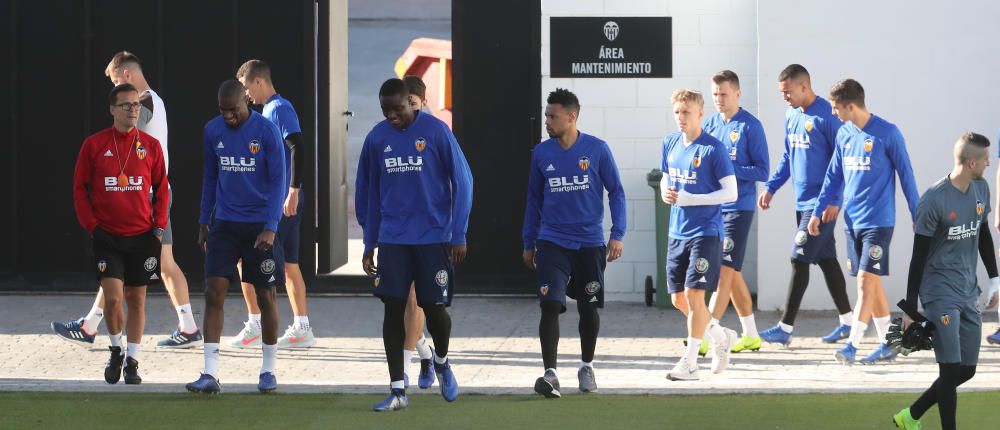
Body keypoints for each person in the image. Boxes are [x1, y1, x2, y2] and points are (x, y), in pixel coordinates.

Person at [53, 51, 201, 349]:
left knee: (119, 260)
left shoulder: (144, 103)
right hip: (155, 193)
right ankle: (187, 326)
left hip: (145, 198)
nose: (116, 91)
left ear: (128, 75)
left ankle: (90, 326)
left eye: (116, 81)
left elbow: (128, 131)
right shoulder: (154, 100)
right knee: (164, 263)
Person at [355, 78, 472, 411]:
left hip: (433, 238)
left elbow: (464, 181)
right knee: (392, 308)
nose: (392, 116)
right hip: (393, 238)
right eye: (385, 110)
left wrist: (458, 232)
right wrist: (369, 241)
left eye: (398, 109)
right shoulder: (377, 139)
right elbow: (368, 192)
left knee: (435, 310)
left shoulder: (435, 132)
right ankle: (397, 390)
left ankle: (442, 360)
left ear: (412, 102)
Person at [522, 88, 626, 397]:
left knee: (588, 308)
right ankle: (550, 374)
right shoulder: (541, 153)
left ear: (572, 117)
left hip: (589, 243)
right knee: (550, 304)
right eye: (546, 115)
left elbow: (616, 191)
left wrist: (617, 233)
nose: (547, 121)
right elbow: (533, 199)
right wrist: (529, 241)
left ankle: (586, 366)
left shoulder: (597, 149)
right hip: (552, 240)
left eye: (552, 116)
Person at [809, 79, 920, 364]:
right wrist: (816, 212)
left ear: (850, 105)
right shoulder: (844, 134)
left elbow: (906, 176)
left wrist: (917, 215)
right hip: (851, 222)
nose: (832, 113)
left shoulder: (888, 133)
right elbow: (832, 177)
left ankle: (852, 345)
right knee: (872, 285)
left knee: (863, 283)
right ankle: (888, 343)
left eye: (835, 108)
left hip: (879, 223)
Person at [892, 132, 998, 430]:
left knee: (967, 370)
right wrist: (910, 309)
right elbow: (918, 256)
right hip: (939, 292)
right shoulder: (934, 199)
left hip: (967, 289)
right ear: (972, 161)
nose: (989, 163)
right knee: (950, 369)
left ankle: (910, 416)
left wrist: (995, 279)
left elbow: (983, 233)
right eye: (986, 159)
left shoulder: (981, 188)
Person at [185, 80, 286, 394]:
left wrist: (271, 225)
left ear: (247, 101)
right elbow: (210, 176)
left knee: (265, 296)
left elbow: (279, 180)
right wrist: (204, 220)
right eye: (224, 111)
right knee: (213, 292)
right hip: (225, 224)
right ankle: (210, 373)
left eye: (234, 110)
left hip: (259, 226)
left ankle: (268, 370)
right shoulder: (212, 131)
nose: (229, 116)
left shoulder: (266, 132)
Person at [73, 83, 168, 384]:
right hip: (108, 237)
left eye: (136, 105)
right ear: (112, 109)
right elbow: (79, 190)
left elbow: (162, 188)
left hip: (142, 236)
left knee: (137, 300)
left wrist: (159, 226)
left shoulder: (150, 146)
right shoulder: (94, 144)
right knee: (113, 299)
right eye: (126, 105)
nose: (132, 110)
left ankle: (134, 361)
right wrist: (92, 226)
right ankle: (116, 350)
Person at [757, 64, 853, 346]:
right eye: (782, 93)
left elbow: (844, 160)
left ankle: (785, 328)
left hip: (822, 204)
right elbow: (788, 155)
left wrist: (835, 199)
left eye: (788, 92)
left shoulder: (828, 115)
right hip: (802, 202)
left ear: (804, 86)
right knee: (825, 260)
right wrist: (772, 187)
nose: (785, 98)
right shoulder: (791, 115)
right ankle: (847, 322)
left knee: (798, 259)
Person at [228, 59, 315, 349]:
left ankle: (256, 325)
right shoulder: (268, 111)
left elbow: (297, 146)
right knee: (290, 265)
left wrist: (293, 190)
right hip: (279, 201)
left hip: (279, 204)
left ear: (258, 82)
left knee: (249, 260)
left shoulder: (278, 109)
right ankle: (302, 328)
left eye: (245, 88)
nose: (245, 96)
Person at [661, 89, 738, 381]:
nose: (681, 118)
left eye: (687, 112)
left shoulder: (713, 148)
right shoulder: (669, 142)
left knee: (695, 295)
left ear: (700, 114)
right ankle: (721, 337)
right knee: (679, 301)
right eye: (678, 112)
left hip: (705, 232)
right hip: (676, 231)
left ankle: (691, 363)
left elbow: (731, 192)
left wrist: (692, 198)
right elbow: (667, 176)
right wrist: (665, 192)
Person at [701, 70, 769, 354]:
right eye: (715, 94)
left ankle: (705, 334)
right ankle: (751, 334)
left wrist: (731, 170)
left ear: (737, 94)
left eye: (724, 94)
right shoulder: (711, 124)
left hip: (738, 209)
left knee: (723, 273)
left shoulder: (751, 126)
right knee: (734, 272)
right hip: (714, 208)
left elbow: (762, 169)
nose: (719, 99)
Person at [394, 74, 437, 388]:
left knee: (414, 299)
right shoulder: (390, 133)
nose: (408, 108)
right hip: (397, 229)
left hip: (429, 231)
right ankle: (426, 352)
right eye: (404, 102)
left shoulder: (435, 132)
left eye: (413, 102)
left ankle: (403, 372)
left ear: (424, 101)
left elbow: (456, 180)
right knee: (402, 304)